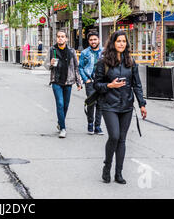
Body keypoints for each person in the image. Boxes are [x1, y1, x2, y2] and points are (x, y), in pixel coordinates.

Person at [93, 30, 147, 184]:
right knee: (114, 136)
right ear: (113, 43)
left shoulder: (131, 62)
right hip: (109, 105)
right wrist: (110, 85)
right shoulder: (103, 62)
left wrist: (142, 104)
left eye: (124, 41)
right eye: (118, 41)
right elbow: (97, 84)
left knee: (122, 139)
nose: (121, 44)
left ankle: (118, 173)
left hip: (126, 106)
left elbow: (137, 85)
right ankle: (107, 167)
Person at [45, 30, 82, 138]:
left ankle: (60, 122)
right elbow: (46, 65)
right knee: (60, 104)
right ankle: (63, 128)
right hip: (56, 81)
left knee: (65, 105)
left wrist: (79, 82)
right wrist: (50, 64)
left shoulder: (71, 51)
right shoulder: (52, 50)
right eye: (58, 36)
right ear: (56, 38)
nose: (60, 38)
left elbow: (76, 67)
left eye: (62, 36)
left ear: (66, 39)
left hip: (68, 81)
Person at [79, 30, 104, 135]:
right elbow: (80, 67)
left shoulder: (104, 52)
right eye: (91, 40)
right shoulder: (85, 53)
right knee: (91, 103)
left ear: (98, 40)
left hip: (102, 81)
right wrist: (86, 80)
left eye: (95, 39)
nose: (93, 41)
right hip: (90, 81)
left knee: (100, 104)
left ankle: (97, 126)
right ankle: (90, 124)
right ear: (88, 41)